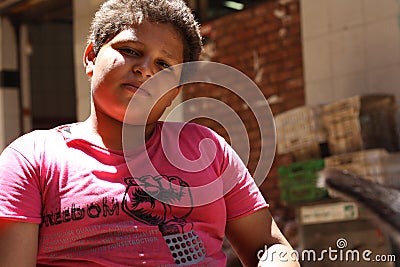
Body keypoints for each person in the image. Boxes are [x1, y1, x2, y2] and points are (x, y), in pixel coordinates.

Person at [0, 0, 300, 266]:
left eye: (164, 65)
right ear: (91, 57)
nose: (145, 69)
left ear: (176, 90)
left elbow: (270, 246)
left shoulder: (207, 150)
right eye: (130, 51)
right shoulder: (33, 159)